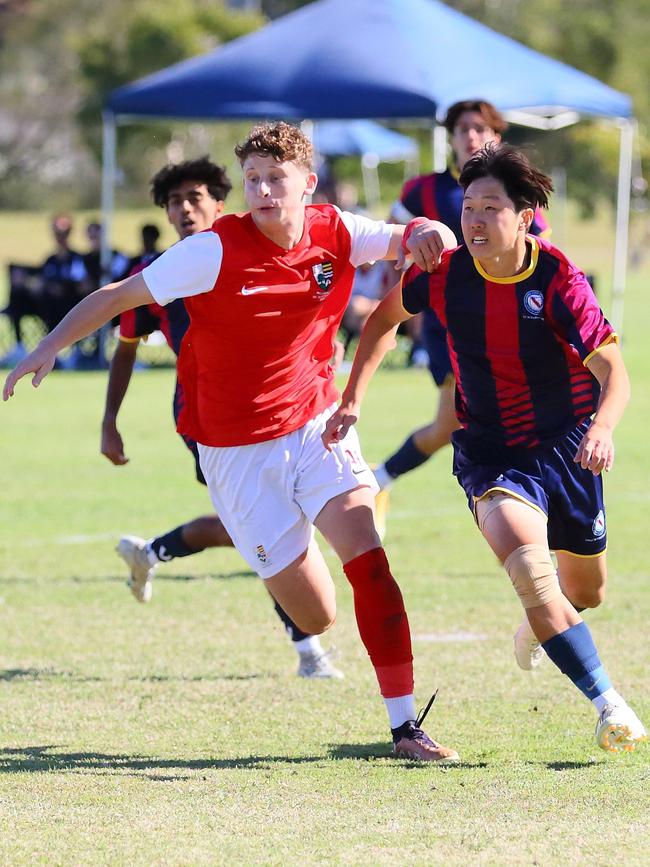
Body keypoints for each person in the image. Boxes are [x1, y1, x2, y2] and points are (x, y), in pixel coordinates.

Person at [4, 122, 461, 761]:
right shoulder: (212, 251)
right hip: (236, 453)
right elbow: (117, 297)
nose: (265, 191)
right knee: (317, 617)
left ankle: (404, 726)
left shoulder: (335, 229)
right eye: (253, 180)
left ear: (308, 182)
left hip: (315, 425)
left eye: (277, 179)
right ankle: (294, 547)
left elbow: (401, 238)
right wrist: (47, 347)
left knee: (371, 562)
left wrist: (428, 232)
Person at [324, 143, 647, 754]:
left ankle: (538, 627)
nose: (473, 220)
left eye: (490, 207)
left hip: (569, 448)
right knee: (530, 568)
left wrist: (602, 429)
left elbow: (615, 372)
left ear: (524, 216)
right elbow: (382, 320)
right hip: (490, 452)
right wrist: (353, 398)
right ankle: (611, 705)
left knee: (586, 591)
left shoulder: (557, 278)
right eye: (468, 206)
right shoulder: (442, 270)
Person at [101, 156, 342, 680]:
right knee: (268, 529)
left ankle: (152, 551)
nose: (185, 209)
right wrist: (109, 421)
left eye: (195, 199)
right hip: (207, 417)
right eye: (174, 203)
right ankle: (309, 651)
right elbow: (124, 346)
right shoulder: (160, 275)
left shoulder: (262, 250)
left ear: (218, 203)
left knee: (262, 528)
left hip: (287, 405)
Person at [373, 101, 550, 509]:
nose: (470, 136)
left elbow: (542, 249)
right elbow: (394, 240)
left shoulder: (515, 191)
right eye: (462, 129)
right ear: (450, 138)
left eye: (479, 128)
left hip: (510, 322)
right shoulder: (424, 190)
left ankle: (379, 477)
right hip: (446, 323)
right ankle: (384, 480)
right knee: (455, 420)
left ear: (496, 136)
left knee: (454, 424)